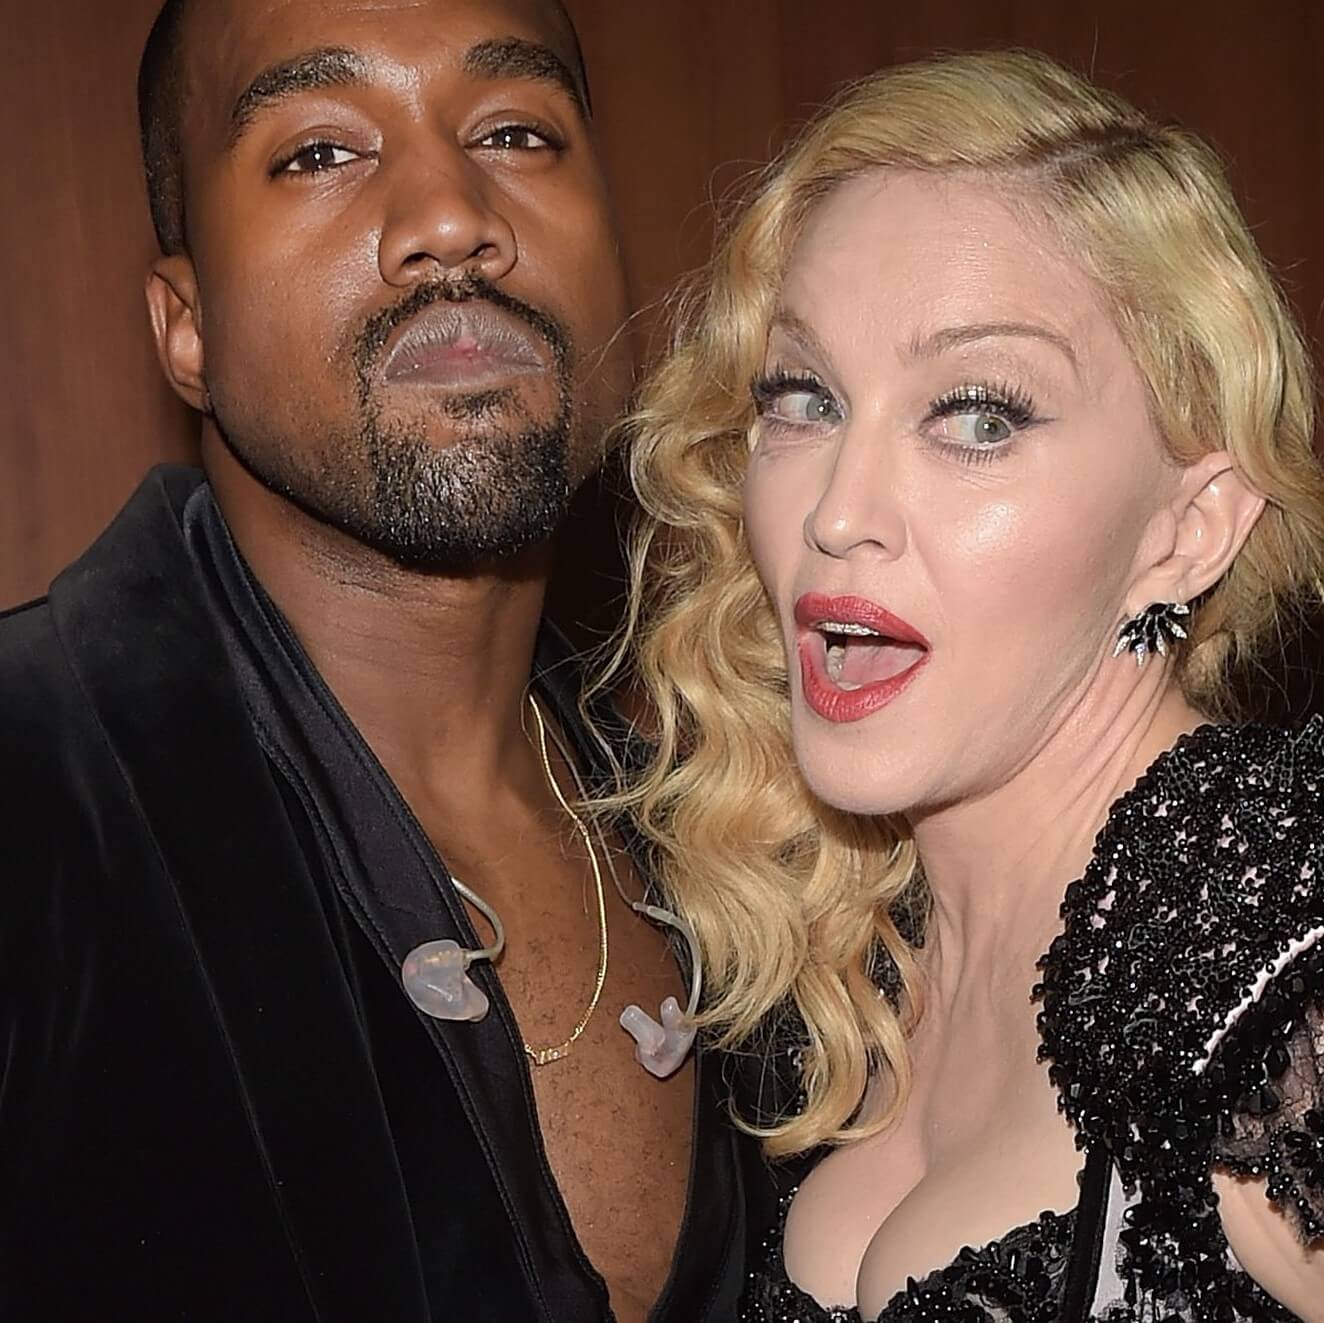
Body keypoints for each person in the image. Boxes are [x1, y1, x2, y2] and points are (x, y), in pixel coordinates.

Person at [0, 1, 775, 1320]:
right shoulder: (33, 803)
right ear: (186, 325)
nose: (450, 215)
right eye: (319, 151)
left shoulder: (753, 840)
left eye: (516, 132)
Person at [610, 49, 1324, 1322]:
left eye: (978, 417)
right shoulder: (844, 954)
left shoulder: (1280, 949)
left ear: (1186, 530)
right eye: (804, 398)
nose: (837, 510)